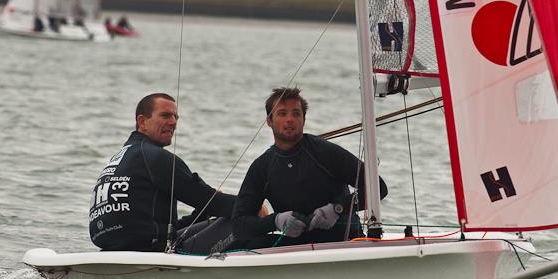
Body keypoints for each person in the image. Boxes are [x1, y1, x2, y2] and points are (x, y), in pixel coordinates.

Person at [231, 87, 387, 249]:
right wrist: (276, 221)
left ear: (304, 120)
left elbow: (379, 187)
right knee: (245, 242)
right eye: (282, 113)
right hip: (297, 246)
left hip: (342, 242)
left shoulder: (324, 152)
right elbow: (239, 224)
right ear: (269, 121)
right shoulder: (262, 167)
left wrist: (337, 209)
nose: (290, 119)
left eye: (296, 113)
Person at [89, 93, 236, 253]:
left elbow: (163, 230)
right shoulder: (155, 157)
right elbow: (208, 199)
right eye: (166, 116)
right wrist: (251, 205)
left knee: (220, 216)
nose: (173, 122)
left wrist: (203, 213)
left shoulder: (121, 158)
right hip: (150, 252)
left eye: (176, 117)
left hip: (113, 250)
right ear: (142, 122)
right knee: (242, 221)